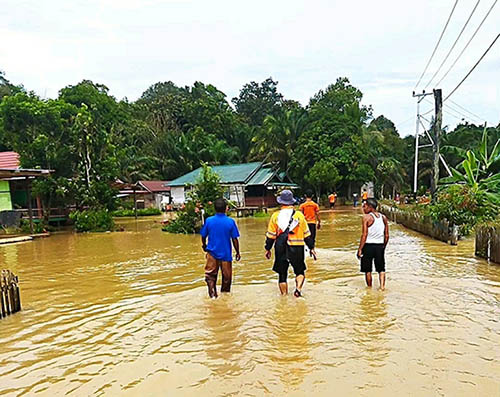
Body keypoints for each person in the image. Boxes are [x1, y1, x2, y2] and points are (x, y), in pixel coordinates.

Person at [265, 190, 316, 297]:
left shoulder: (275, 216)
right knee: (300, 271)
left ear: (280, 202)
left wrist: (268, 249)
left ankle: (284, 297)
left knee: (282, 274)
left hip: (281, 247)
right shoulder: (299, 216)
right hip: (297, 247)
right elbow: (307, 234)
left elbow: (271, 236)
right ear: (292, 202)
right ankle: (298, 289)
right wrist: (311, 248)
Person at [200, 198, 241, 298]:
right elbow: (234, 239)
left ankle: (213, 295)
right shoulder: (230, 222)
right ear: (226, 208)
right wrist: (238, 252)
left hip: (212, 253)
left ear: (215, 209)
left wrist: (204, 245)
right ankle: (225, 298)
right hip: (226, 254)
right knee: (227, 278)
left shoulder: (209, 221)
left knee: (210, 276)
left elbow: (203, 235)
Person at [357, 198, 389, 290]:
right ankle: (382, 287)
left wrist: (360, 249)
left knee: (367, 270)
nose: (363, 208)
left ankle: (369, 288)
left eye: (365, 206)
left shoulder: (366, 218)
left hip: (368, 246)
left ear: (370, 207)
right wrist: (383, 246)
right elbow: (386, 235)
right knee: (381, 268)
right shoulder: (383, 217)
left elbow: (364, 235)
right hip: (379, 245)